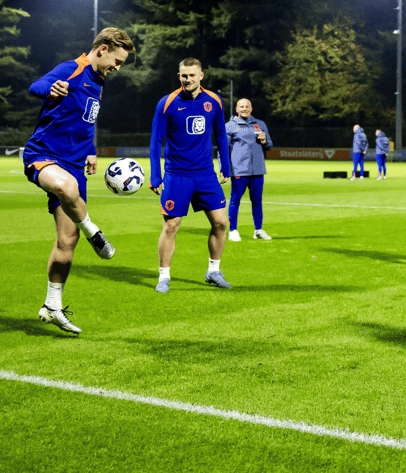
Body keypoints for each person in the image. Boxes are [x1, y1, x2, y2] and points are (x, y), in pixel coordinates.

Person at [23, 27, 134, 334]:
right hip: (43, 154)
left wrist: (90, 151)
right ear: (103, 49)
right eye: (117, 60)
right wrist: (52, 89)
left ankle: (52, 306)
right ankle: (95, 233)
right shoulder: (74, 68)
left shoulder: (98, 82)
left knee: (66, 240)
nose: (117, 68)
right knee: (66, 187)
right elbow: (36, 85)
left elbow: (85, 122)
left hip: (74, 162)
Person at [150, 58, 232, 293]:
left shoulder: (214, 101)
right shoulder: (167, 103)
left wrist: (225, 166)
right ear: (179, 77)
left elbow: (221, 135)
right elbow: (156, 141)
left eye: (192, 75)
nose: (188, 79)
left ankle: (213, 271)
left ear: (201, 75)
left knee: (220, 222)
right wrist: (156, 176)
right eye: (184, 76)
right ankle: (164, 277)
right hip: (177, 175)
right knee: (171, 226)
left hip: (206, 174)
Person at [226, 98, 273, 242]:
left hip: (258, 170)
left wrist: (264, 140)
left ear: (251, 109)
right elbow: (223, 149)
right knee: (235, 200)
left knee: (257, 201)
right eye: (241, 107)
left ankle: (258, 230)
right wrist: (225, 169)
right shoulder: (230, 126)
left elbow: (269, 145)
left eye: (247, 106)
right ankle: (233, 230)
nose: (244, 109)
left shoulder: (260, 124)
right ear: (236, 109)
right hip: (239, 170)